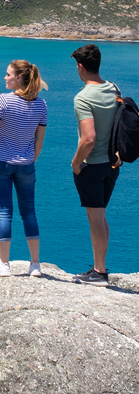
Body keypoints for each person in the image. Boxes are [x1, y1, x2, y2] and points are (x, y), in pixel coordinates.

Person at [0, 60, 47, 276]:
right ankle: (35, 265)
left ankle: (4, 264)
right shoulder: (41, 105)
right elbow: (39, 143)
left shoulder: (2, 101)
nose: (5, 77)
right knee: (29, 212)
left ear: (20, 77)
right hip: (27, 164)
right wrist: (30, 159)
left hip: (0, 162)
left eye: (8, 74)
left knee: (4, 211)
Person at [70, 43, 121, 285]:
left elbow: (88, 138)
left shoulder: (83, 98)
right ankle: (99, 266)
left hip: (93, 164)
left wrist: (76, 162)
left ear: (80, 67)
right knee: (100, 215)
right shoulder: (113, 88)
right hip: (112, 165)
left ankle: (99, 273)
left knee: (96, 217)